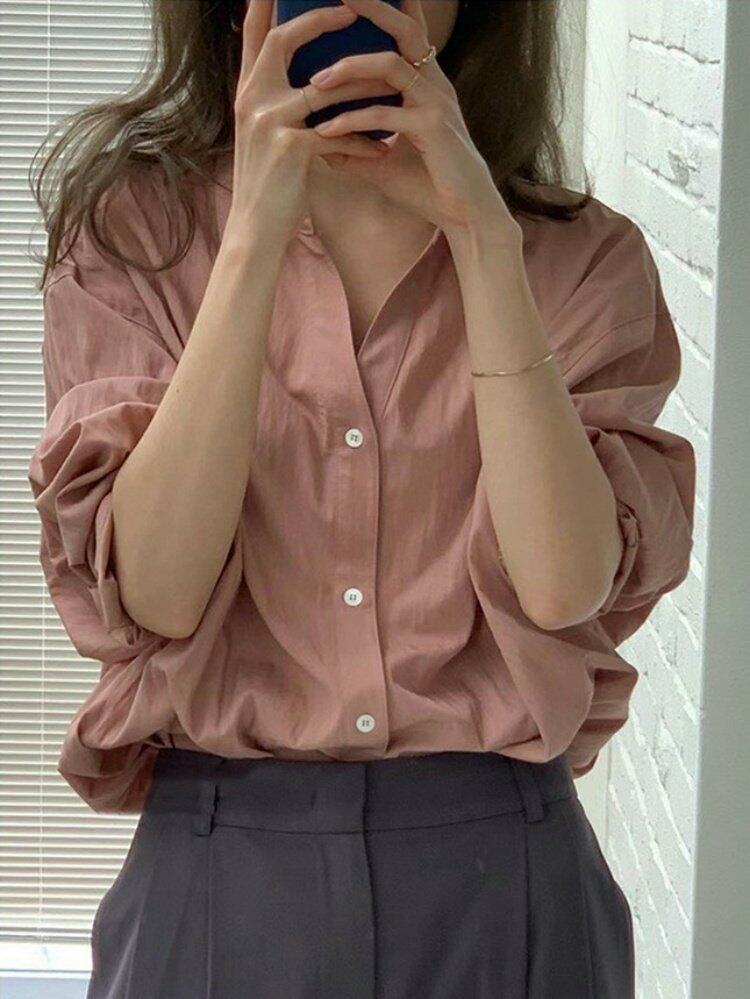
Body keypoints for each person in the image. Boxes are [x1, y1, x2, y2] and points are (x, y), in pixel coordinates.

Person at [27, 0, 695, 996]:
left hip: (505, 874)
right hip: (218, 869)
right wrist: (253, 233)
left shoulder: (581, 259)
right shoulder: (137, 236)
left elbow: (564, 587)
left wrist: (482, 241)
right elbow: (158, 591)